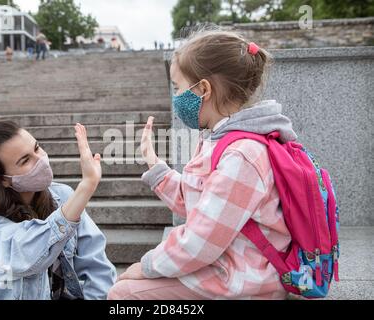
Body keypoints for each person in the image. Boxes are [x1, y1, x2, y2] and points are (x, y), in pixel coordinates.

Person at [109, 29, 297, 300]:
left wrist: (147, 266)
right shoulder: (218, 140)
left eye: (177, 87)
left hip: (245, 281)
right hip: (230, 267)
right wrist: (155, 165)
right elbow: (198, 205)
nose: (175, 97)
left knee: (123, 295)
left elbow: (200, 241)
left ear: (203, 89)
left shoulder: (242, 155)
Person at [0, 121, 116, 299]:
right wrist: (86, 187)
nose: (41, 160)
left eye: (37, 148)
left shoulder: (64, 196)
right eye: (25, 160)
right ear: (3, 179)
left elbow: (97, 267)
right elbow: (27, 258)